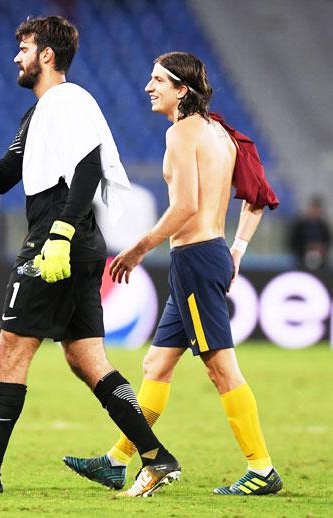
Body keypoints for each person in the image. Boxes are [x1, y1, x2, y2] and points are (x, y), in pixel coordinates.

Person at [0, 16, 180, 497]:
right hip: (74, 241)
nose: (15, 57)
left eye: (23, 47)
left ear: (46, 54)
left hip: (58, 237)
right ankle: (156, 457)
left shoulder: (68, 100)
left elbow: (87, 167)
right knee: (87, 359)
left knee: (10, 350)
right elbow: (4, 177)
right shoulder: (39, 113)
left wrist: (60, 233)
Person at [63, 52, 283, 496]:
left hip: (196, 259)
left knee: (221, 369)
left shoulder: (182, 133)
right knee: (156, 363)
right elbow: (258, 195)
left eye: (159, 79)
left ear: (182, 90)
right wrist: (236, 248)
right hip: (208, 255)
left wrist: (139, 248)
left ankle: (262, 469)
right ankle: (118, 459)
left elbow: (186, 206)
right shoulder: (220, 132)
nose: (149, 86)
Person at [288, 196, 331, 271]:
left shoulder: (323, 226)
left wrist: (321, 248)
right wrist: (306, 248)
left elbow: (328, 241)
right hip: (301, 258)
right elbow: (293, 242)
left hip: (321, 259)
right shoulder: (300, 225)